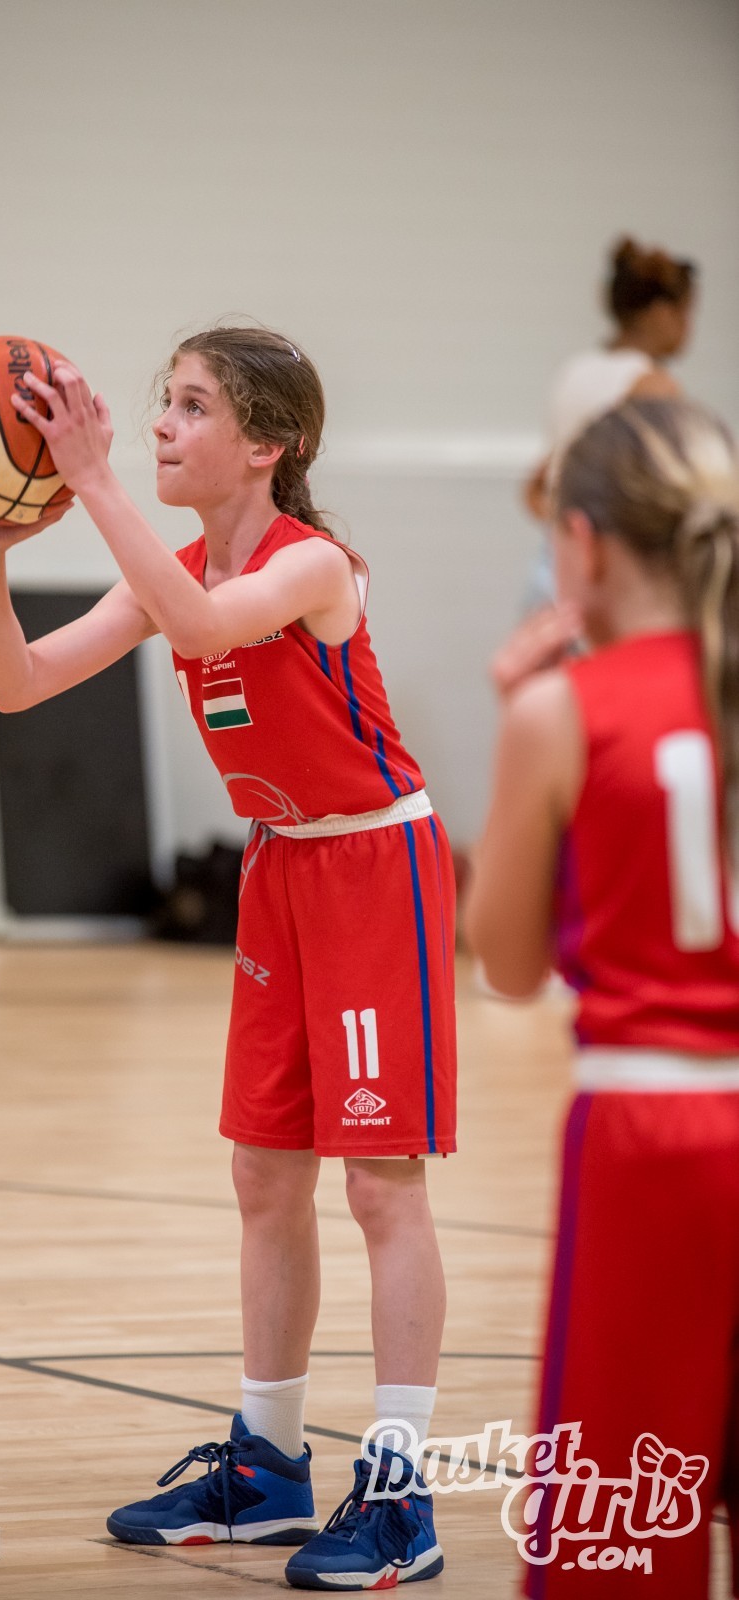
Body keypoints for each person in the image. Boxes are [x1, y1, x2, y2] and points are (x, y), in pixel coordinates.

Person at [0, 325, 457, 1590]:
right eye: (162, 402)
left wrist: (91, 479)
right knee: (264, 1173)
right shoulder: (173, 570)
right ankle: (270, 1464)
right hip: (280, 871)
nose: (161, 425)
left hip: (374, 867)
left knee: (381, 1185)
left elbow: (196, 622)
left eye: (190, 406)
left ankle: (402, 1490)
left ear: (268, 444)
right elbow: (16, 682)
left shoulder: (312, 566)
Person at [466, 397, 739, 1597]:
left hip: (654, 1137)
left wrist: (513, 732)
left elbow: (507, 963)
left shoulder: (560, 711)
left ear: (581, 543)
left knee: (620, 1543)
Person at [520, 238, 698, 611]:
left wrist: (565, 523)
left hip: (557, 558)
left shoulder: (573, 372)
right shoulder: (653, 386)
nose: (688, 329)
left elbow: (537, 486)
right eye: (685, 314)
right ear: (660, 312)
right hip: (614, 570)